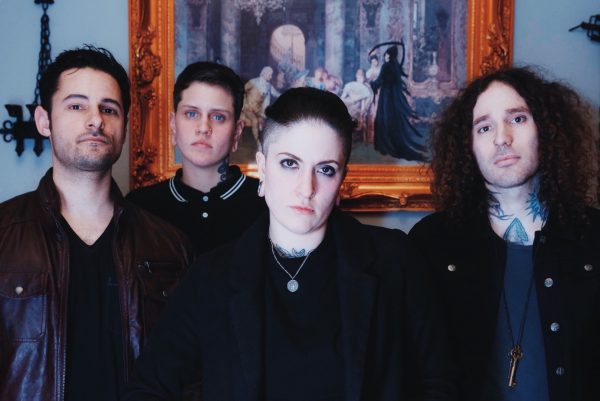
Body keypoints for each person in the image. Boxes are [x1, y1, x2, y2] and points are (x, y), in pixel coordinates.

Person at [123, 87, 457, 401]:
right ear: (263, 168)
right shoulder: (211, 277)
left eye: (325, 170)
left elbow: (440, 384)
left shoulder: (394, 261)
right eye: (289, 164)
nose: (306, 188)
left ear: (341, 179)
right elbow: (148, 389)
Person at [0, 46, 192, 401]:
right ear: (44, 120)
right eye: (76, 106)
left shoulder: (170, 245)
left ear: (124, 127)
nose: (95, 120)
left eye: (109, 109)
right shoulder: (5, 233)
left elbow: (191, 370)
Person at [409, 67, 600, 401]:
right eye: (484, 127)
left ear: (547, 130)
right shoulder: (430, 242)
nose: (502, 138)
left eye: (517, 119)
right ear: (468, 146)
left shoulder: (593, 235)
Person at [126, 61, 266, 254]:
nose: (203, 128)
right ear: (174, 125)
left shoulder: (267, 204)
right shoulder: (139, 208)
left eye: (218, 117)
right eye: (191, 114)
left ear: (237, 131)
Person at [371, 44, 427, 161]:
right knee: (391, 120)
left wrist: (371, 84)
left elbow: (379, 81)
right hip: (393, 98)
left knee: (385, 119)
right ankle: (389, 145)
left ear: (389, 55)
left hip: (386, 96)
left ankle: (385, 146)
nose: (385, 56)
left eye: (387, 54)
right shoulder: (395, 66)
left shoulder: (386, 66)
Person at [241, 66, 280, 146]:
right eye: (270, 75)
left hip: (259, 111)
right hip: (249, 108)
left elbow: (276, 93)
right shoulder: (254, 82)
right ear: (264, 73)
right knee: (255, 121)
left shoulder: (268, 86)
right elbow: (243, 90)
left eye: (271, 75)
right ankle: (257, 142)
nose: (271, 77)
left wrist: (285, 95)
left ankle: (263, 141)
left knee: (265, 123)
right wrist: (243, 102)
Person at [340, 68, 373, 140]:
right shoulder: (351, 84)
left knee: (351, 110)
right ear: (356, 75)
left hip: (358, 107)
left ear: (364, 76)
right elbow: (343, 96)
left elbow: (366, 100)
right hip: (349, 103)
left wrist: (363, 110)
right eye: (358, 74)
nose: (359, 76)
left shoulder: (366, 87)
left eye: (361, 74)